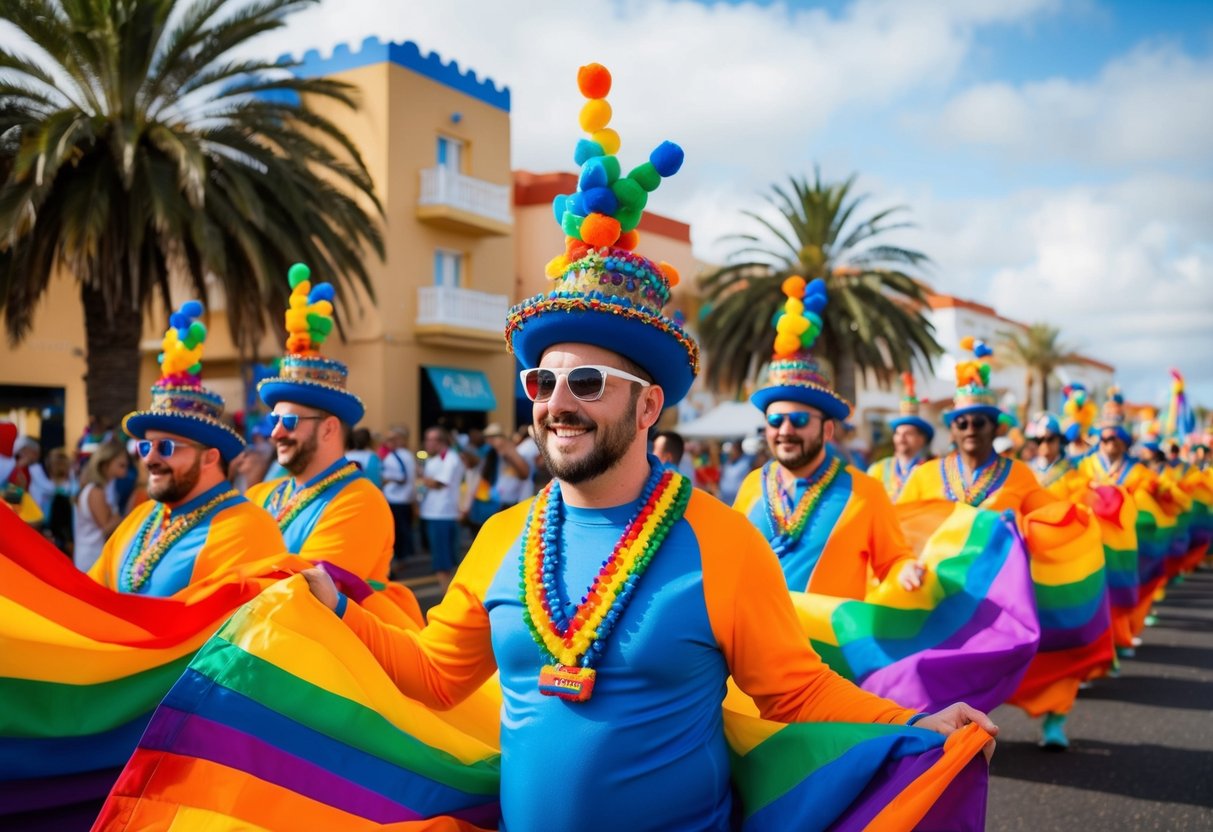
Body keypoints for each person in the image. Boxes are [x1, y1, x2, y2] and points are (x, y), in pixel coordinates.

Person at [303, 65, 993, 831]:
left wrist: (913, 727)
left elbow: (794, 692)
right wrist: (336, 606)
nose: (558, 402)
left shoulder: (721, 541)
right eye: (540, 382)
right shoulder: (501, 539)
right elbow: (435, 676)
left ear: (648, 403)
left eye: (589, 382)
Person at [733, 276, 917, 599]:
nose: (785, 430)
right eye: (776, 420)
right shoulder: (751, 485)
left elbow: (894, 561)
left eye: (800, 420)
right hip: (750, 649)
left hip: (827, 649)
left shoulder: (867, 494)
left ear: (827, 429)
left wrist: (907, 571)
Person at [87, 301, 286, 595]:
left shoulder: (248, 530)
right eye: (145, 447)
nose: (150, 458)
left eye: (166, 447)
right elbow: (88, 596)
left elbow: (245, 630)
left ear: (210, 457)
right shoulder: (140, 518)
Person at [245, 264, 394, 581]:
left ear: (329, 428)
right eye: (274, 419)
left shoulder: (361, 501)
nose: (275, 432)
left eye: (289, 420)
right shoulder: (261, 495)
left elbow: (307, 591)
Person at [868, 372, 934, 501]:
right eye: (898, 433)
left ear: (921, 439)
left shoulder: (931, 469)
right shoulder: (878, 469)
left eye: (908, 433)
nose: (901, 438)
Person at [418, 426, 466, 595]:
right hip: (434, 513)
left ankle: (448, 598)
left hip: (442, 514)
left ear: (442, 441)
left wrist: (419, 476)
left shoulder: (450, 458)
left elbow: (438, 483)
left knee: (443, 561)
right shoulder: (433, 459)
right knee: (445, 559)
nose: (428, 443)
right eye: (427, 439)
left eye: (432, 439)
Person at [73, 441, 128, 572]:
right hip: (92, 557)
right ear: (105, 465)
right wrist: (126, 517)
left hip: (92, 555)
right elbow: (106, 527)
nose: (125, 470)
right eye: (121, 465)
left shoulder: (101, 488)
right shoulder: (96, 491)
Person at [381, 425, 417, 574]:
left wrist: (386, 479)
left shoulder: (394, 456)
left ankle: (399, 559)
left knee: (396, 532)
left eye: (391, 439)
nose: (387, 442)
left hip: (394, 498)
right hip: (405, 499)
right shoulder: (409, 455)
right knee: (404, 529)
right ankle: (404, 557)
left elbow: (401, 477)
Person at [1025, 412, 1086, 500]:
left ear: (1059, 440)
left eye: (1050, 439)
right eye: (1039, 440)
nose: (1044, 444)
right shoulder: (1030, 469)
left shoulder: (1073, 467)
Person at [716, 440, 752, 507]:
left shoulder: (747, 461)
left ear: (738, 450)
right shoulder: (727, 463)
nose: (731, 453)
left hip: (739, 500)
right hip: (725, 499)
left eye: (733, 450)